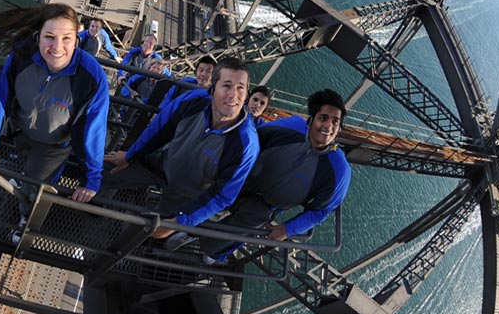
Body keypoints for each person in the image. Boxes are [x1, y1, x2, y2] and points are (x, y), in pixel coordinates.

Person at [168, 89, 352, 261]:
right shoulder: (292, 127)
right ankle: (189, 232)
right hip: (242, 180)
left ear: (340, 128)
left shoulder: (339, 170)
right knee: (206, 203)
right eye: (323, 118)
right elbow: (255, 138)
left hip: (265, 207)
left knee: (219, 243)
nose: (328, 126)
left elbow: (321, 211)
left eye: (335, 121)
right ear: (311, 120)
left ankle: (212, 253)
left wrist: (288, 229)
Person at [103, 58, 259, 238]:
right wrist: (129, 156)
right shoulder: (193, 102)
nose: (234, 95)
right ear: (213, 88)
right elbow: (159, 131)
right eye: (227, 86)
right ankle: (88, 205)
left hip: (186, 194)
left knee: (152, 230)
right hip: (163, 164)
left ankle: (130, 245)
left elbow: (223, 195)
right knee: (105, 169)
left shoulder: (245, 144)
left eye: (241, 87)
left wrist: (182, 220)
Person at [0, 3, 109, 214]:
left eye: (66, 38)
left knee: (34, 190)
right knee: (19, 165)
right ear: (38, 36)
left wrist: (92, 179)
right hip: (19, 130)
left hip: (54, 147)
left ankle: (24, 215)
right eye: (49, 37)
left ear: (77, 38)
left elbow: (94, 130)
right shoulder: (22, 55)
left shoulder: (91, 76)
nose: (57, 47)